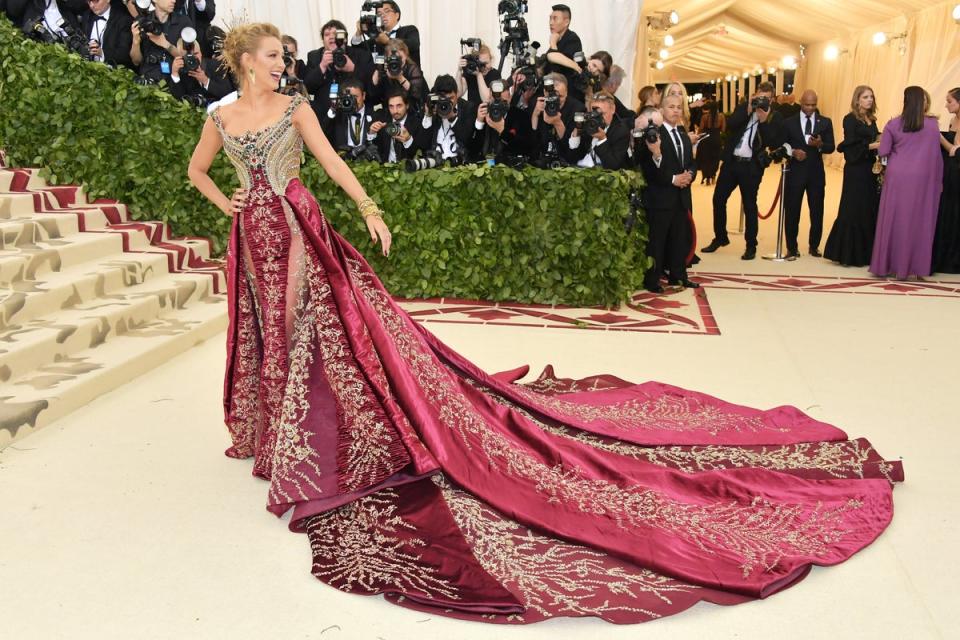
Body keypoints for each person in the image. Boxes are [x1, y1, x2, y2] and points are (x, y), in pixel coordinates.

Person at [187, 20, 899, 627]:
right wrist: (229, 208)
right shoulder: (220, 114)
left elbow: (331, 160)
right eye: (274, 54)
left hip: (297, 222)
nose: (285, 61)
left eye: (285, 53)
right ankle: (274, 437)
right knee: (264, 329)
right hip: (253, 232)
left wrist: (369, 207)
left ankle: (301, 444)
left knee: (307, 324)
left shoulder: (294, 109)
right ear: (248, 60)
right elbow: (198, 171)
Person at [703, 81, 783, 260]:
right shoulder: (744, 108)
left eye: (767, 99)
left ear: (772, 99)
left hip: (751, 167)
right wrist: (748, 108)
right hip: (732, 163)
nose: (763, 101)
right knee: (718, 199)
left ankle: (751, 245)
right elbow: (730, 124)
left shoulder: (774, 116)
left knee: (749, 205)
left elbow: (773, 140)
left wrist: (763, 120)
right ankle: (720, 237)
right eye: (761, 97)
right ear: (755, 94)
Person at [870, 86, 943, 280]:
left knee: (894, 220)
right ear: (923, 102)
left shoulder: (893, 124)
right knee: (919, 222)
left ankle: (890, 265)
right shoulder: (932, 125)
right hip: (922, 180)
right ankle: (916, 267)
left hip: (897, 177)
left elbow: (883, 151)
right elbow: (935, 156)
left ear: (905, 101)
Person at [638, 94, 698, 293]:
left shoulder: (682, 134)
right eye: (671, 107)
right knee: (657, 241)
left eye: (679, 107)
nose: (676, 110)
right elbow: (649, 167)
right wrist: (673, 179)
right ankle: (652, 280)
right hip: (660, 196)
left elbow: (690, 161)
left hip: (681, 196)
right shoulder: (655, 133)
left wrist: (689, 174)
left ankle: (678, 276)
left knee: (679, 238)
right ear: (662, 110)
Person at [824, 86, 883, 267]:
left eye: (871, 97)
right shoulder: (850, 119)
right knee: (852, 207)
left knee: (868, 206)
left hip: (870, 169)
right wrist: (874, 145)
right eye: (865, 97)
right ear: (857, 100)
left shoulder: (871, 119)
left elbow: (875, 139)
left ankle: (866, 252)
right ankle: (848, 253)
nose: (869, 100)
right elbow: (851, 147)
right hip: (856, 169)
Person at [781, 90, 835, 258]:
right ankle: (791, 247)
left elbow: (831, 147)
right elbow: (781, 146)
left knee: (817, 211)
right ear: (800, 102)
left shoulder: (825, 122)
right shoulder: (789, 122)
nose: (810, 108)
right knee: (792, 211)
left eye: (813, 105)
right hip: (795, 172)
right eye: (807, 105)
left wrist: (820, 145)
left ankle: (814, 246)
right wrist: (793, 152)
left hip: (816, 174)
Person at [304, 20, 374, 111]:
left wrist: (353, 68)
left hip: (353, 112)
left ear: (344, 38)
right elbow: (308, 88)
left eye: (335, 34)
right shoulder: (314, 56)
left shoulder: (361, 55)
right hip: (324, 114)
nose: (331, 37)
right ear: (323, 40)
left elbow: (372, 88)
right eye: (327, 34)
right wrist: (322, 67)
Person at [415, 74, 485, 162]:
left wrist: (452, 118)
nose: (447, 102)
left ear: (457, 94)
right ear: (436, 96)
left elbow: (469, 144)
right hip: (435, 165)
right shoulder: (432, 107)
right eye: (443, 98)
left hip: (460, 166)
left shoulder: (468, 108)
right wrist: (428, 116)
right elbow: (422, 145)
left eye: (451, 98)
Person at [129, 0, 192, 84]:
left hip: (175, 82)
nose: (174, 1)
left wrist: (166, 44)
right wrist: (135, 42)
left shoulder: (184, 22)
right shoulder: (143, 21)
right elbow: (136, 61)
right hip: (147, 81)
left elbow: (190, 61)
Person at [933, 88, 960, 273]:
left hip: (957, 174)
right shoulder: (953, 120)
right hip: (950, 173)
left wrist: (938, 136)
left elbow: (955, 151)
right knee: (947, 212)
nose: (946, 104)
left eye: (949, 101)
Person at [530, 73, 582, 166]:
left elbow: (572, 152)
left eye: (560, 96)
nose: (556, 100)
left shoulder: (577, 110)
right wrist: (535, 115)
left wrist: (558, 123)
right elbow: (530, 143)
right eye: (552, 96)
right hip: (540, 161)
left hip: (564, 164)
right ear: (545, 92)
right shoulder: (537, 103)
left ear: (566, 92)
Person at [567, 92, 630, 170]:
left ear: (613, 109)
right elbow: (571, 159)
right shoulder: (589, 124)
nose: (598, 118)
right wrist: (576, 136)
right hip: (580, 170)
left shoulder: (621, 130)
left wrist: (602, 139)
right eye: (594, 114)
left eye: (602, 114)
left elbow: (612, 165)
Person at [353, 0, 420, 67]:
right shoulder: (376, 37)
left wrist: (388, 41)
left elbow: (413, 45)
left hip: (407, 76)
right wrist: (358, 32)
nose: (383, 15)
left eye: (387, 11)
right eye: (379, 14)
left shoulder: (409, 30)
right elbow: (357, 51)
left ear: (397, 15)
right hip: (380, 76)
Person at [319, 77, 376, 154]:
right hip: (342, 161)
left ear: (364, 95)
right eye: (347, 98)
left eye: (355, 97)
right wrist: (333, 108)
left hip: (367, 162)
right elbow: (322, 134)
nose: (352, 101)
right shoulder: (337, 116)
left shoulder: (374, 115)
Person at [369, 38, 427, 112]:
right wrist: (378, 69)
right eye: (392, 59)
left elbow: (417, 95)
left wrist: (400, 78)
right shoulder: (384, 70)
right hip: (390, 112)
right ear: (386, 58)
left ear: (406, 55)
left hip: (411, 111)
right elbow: (373, 96)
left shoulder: (412, 69)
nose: (395, 62)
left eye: (399, 58)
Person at [367, 89, 422, 163]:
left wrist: (408, 140)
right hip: (385, 167)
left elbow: (420, 154)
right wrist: (372, 133)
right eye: (391, 106)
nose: (395, 111)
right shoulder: (382, 120)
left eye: (399, 106)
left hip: (408, 169)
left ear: (407, 105)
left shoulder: (417, 124)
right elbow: (374, 149)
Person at [543, 4, 584, 102]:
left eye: (555, 19)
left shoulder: (572, 39)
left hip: (568, 96)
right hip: (552, 92)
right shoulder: (557, 39)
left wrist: (552, 43)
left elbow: (553, 57)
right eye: (550, 19)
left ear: (566, 22)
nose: (551, 23)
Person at [80, 0, 134, 70]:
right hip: (88, 68)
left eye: (96, 1)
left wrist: (102, 53)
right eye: (89, 2)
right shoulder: (87, 16)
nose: (92, 5)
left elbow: (124, 53)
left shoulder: (123, 20)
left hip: (114, 72)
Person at [456, 42, 501, 106]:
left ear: (491, 60)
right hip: (472, 113)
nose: (484, 67)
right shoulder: (470, 73)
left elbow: (486, 99)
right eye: (481, 64)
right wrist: (459, 71)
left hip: (488, 113)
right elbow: (458, 93)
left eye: (486, 63)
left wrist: (478, 75)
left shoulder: (495, 74)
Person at [697, 99, 724, 185]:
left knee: (706, 159)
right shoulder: (721, 116)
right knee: (715, 159)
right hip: (716, 138)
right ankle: (713, 176)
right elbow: (723, 129)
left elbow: (701, 129)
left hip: (706, 139)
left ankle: (707, 177)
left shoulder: (704, 117)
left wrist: (698, 137)